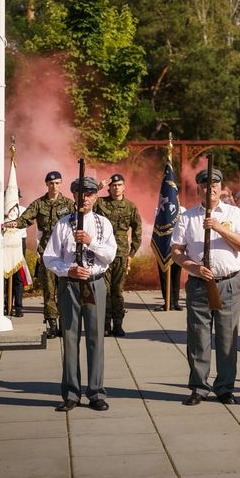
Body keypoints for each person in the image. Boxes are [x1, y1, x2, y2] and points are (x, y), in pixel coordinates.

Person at [170, 167, 240, 406]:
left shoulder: (234, 213)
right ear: (199, 189)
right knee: (198, 337)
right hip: (199, 284)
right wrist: (192, 268)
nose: (210, 189)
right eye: (205, 185)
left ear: (220, 188)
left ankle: (224, 387)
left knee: (227, 338)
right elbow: (176, 251)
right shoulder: (187, 217)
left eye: (214, 185)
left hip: (228, 283)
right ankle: (198, 387)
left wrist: (218, 227)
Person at [46, 176, 116, 412]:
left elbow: (110, 255)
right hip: (70, 285)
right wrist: (68, 269)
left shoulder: (103, 224)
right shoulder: (63, 224)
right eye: (80, 193)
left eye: (89, 194)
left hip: (95, 283)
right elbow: (50, 257)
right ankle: (71, 394)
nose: (85, 198)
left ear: (96, 196)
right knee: (70, 338)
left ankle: (96, 392)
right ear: (74, 195)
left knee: (96, 338)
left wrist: (90, 241)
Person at [5, 170, 75, 338]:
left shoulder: (69, 203)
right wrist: (14, 223)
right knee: (49, 290)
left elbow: (78, 221)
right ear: (46, 184)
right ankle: (52, 324)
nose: (54, 186)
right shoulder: (39, 204)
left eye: (57, 183)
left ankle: (65, 324)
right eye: (51, 183)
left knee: (65, 290)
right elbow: (26, 218)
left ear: (61, 184)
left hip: (66, 252)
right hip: (48, 251)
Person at [92, 173, 142, 337]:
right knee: (104, 290)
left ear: (124, 187)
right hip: (102, 252)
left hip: (120, 253)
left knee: (117, 291)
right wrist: (96, 189)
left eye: (119, 185)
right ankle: (105, 325)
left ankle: (118, 325)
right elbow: (82, 206)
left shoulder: (130, 206)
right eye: (113, 185)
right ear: (109, 187)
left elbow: (137, 232)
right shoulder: (100, 202)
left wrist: (132, 254)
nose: (116, 187)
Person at [158, 202, 185, 312]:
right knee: (164, 275)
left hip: (177, 246)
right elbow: (158, 227)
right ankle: (167, 301)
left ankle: (175, 301)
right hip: (164, 247)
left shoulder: (182, 209)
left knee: (176, 274)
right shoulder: (159, 208)